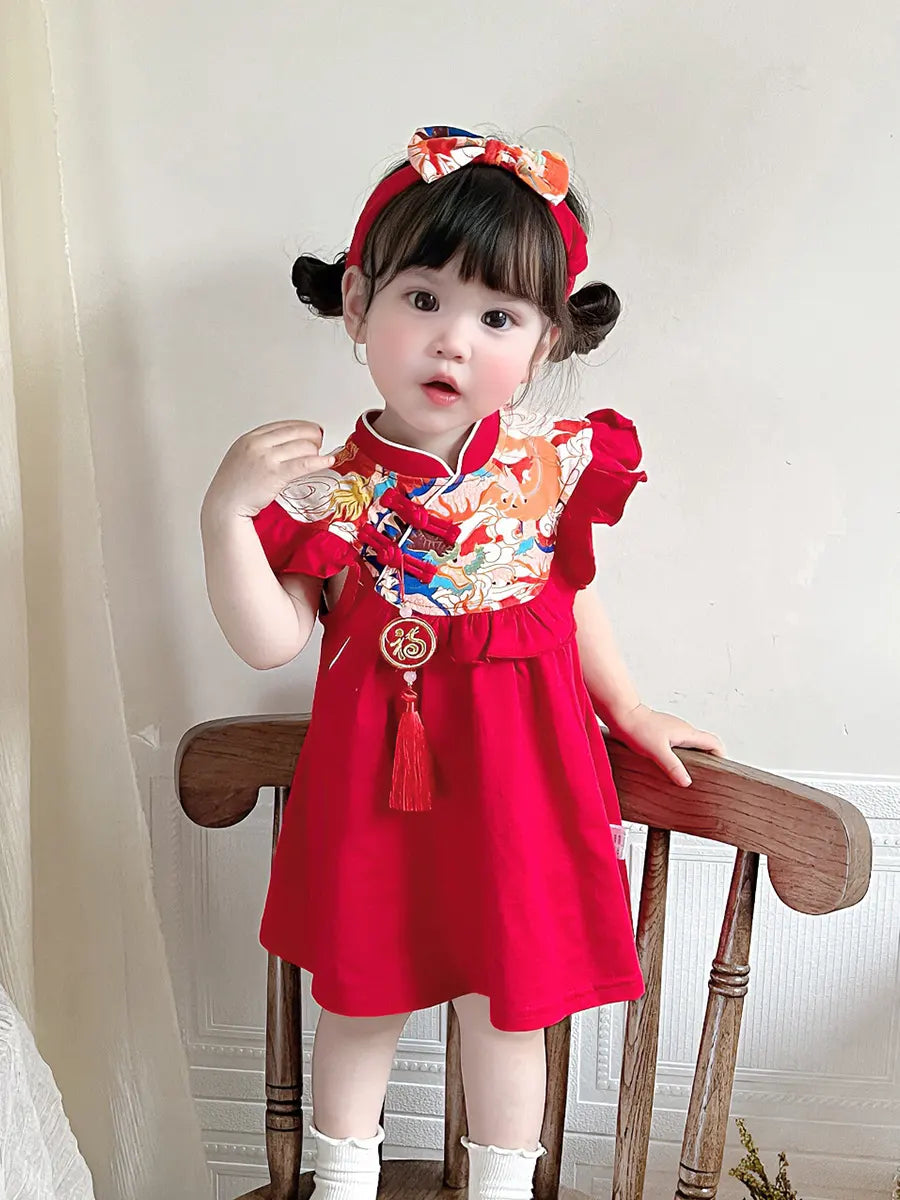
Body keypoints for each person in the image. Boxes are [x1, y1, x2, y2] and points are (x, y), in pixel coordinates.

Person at [200, 125, 724, 1200]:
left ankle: (499, 1187)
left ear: (544, 346)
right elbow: (272, 637)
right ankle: (341, 1182)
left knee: (509, 1001)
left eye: (497, 317)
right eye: (423, 300)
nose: (452, 342)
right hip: (379, 778)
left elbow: (568, 599)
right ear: (358, 305)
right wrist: (224, 516)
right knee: (360, 994)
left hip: (522, 776)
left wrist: (625, 705)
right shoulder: (330, 480)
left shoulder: (542, 468)